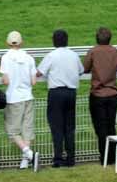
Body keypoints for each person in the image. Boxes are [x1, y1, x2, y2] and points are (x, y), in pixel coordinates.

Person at [36, 29, 84, 168]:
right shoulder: (74, 55)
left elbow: (39, 73)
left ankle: (58, 158)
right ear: (67, 40)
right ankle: (70, 158)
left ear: (54, 41)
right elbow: (81, 70)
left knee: (57, 127)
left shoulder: (51, 55)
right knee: (69, 127)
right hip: (71, 92)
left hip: (56, 93)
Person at [0, 31, 38, 171]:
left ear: (8, 43)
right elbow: (34, 81)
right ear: (21, 42)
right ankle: (25, 161)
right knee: (27, 129)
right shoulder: (29, 58)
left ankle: (29, 154)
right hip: (27, 96)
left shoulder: (5, 58)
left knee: (12, 131)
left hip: (13, 98)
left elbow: (6, 80)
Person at [83, 27, 117, 165]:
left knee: (101, 127)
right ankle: (112, 156)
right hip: (112, 94)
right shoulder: (114, 51)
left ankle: (104, 157)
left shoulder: (93, 51)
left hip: (98, 95)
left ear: (97, 38)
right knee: (111, 126)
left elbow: (85, 68)